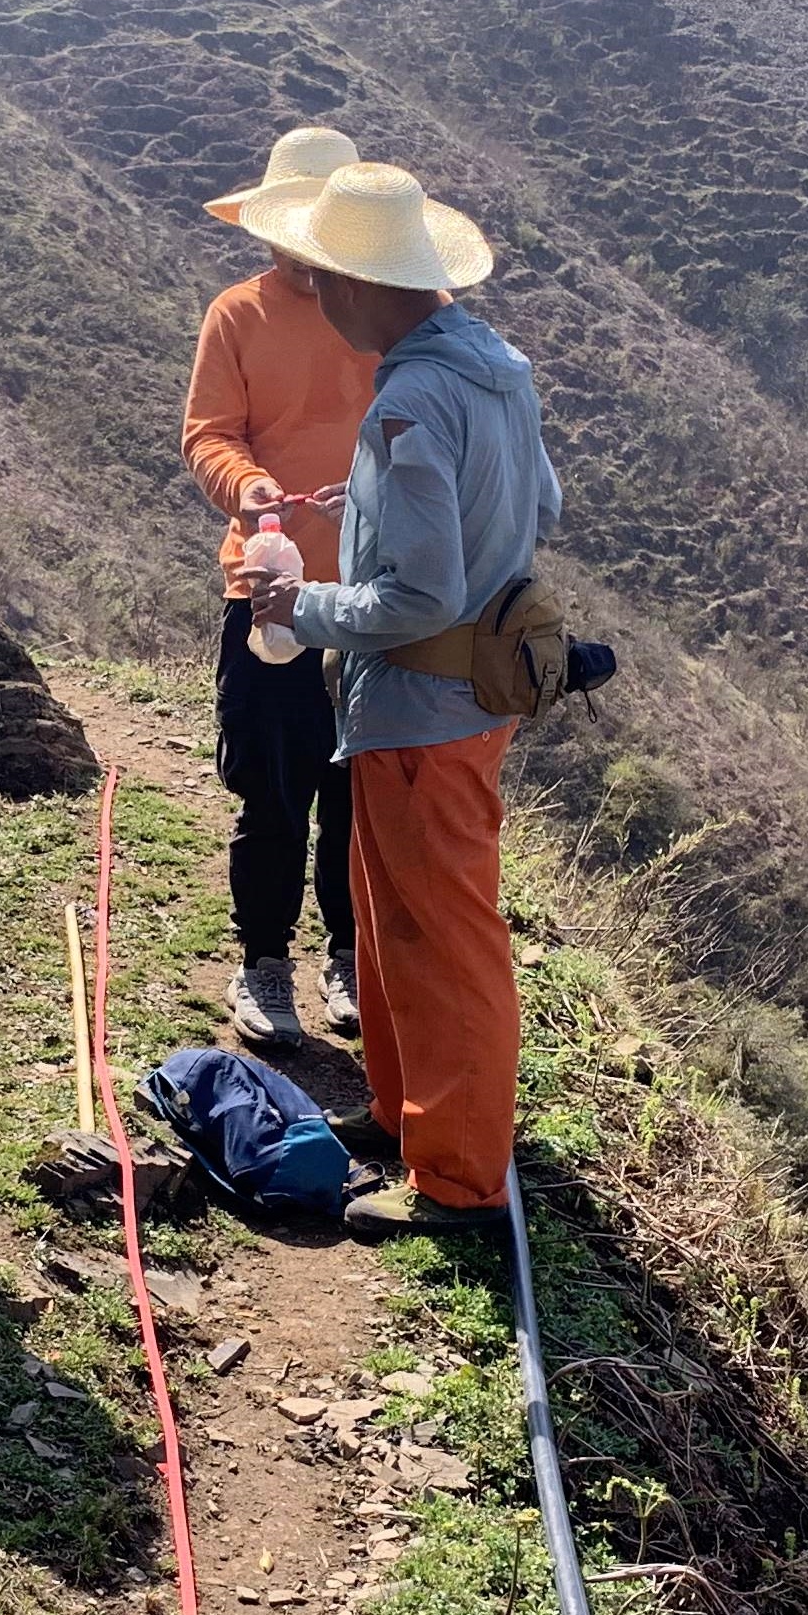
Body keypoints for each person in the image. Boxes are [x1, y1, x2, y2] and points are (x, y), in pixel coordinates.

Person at [242, 161, 560, 1239]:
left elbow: (414, 592)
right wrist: (370, 501)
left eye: (326, 275)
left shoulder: (412, 395)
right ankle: (404, 1114)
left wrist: (303, 600)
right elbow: (537, 502)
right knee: (392, 921)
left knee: (443, 937)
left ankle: (462, 1181)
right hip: (474, 689)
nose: (317, 296)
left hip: (422, 703)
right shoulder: (494, 368)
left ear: (367, 284)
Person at [181, 125, 378, 1049]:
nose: (296, 247)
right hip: (268, 586)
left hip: (382, 598)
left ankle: (348, 957)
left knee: (360, 790)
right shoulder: (239, 315)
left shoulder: (397, 313)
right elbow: (210, 434)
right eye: (285, 227)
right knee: (273, 787)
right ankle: (265, 961)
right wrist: (250, 488)